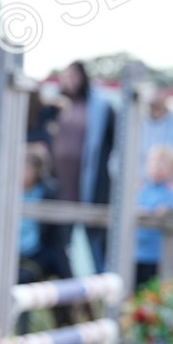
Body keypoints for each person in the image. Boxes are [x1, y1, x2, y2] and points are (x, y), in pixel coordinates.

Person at [50, 61, 115, 274]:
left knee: (96, 245)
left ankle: (104, 287)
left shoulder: (101, 108)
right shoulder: (53, 104)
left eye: (73, 76)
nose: (68, 80)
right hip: (61, 186)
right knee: (62, 245)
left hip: (91, 187)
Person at [15, 146, 73, 334]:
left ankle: (23, 332)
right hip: (10, 253)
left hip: (39, 255)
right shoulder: (6, 189)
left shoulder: (49, 191)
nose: (22, 172)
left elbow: (58, 235)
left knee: (23, 277)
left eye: (27, 167)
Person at [135, 145, 173, 290]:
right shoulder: (141, 189)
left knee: (156, 291)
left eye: (163, 164)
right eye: (153, 163)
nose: (157, 168)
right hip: (137, 253)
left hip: (159, 255)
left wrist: (161, 213)